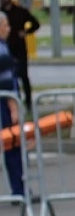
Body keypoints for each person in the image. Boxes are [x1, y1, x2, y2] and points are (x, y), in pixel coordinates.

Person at [0, 13, 25, 203]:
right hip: (5, 105)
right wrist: (13, 107)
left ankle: (18, 189)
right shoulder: (2, 50)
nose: (9, 28)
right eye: (6, 24)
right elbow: (7, 82)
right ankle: (19, 190)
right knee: (12, 145)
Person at [0, 0, 37, 113]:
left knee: (23, 77)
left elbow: (35, 23)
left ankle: (27, 102)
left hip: (19, 49)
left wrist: (25, 32)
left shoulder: (20, 12)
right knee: (11, 76)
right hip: (8, 47)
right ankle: (16, 100)